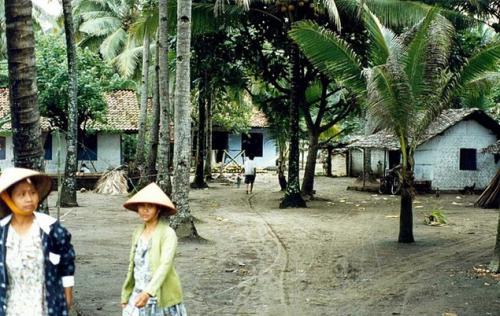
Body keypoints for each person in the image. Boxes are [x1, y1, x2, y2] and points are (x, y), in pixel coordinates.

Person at [0, 167, 75, 315]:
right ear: (8, 198)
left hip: (45, 304)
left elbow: (67, 263)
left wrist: (67, 294)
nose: (29, 199)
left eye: (32, 193)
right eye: (22, 194)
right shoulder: (2, 232)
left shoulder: (52, 229)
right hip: (11, 305)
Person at [121, 183, 187, 316]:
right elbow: (133, 266)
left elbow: (165, 265)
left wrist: (148, 292)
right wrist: (126, 293)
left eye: (150, 206)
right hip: (138, 293)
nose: (144, 210)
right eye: (142, 206)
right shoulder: (138, 232)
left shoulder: (168, 233)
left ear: (158, 210)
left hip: (158, 295)